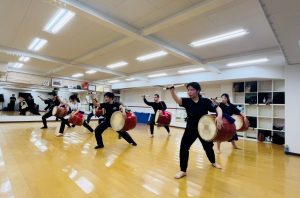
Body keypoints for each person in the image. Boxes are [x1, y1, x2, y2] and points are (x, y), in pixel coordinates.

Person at [169, 82, 223, 179]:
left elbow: (218, 108)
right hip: (190, 128)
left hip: (204, 129)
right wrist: (172, 91)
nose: (189, 92)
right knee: (184, 147)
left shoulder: (205, 101)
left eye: (191, 90)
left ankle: (213, 162)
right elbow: (177, 100)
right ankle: (183, 170)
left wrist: (219, 116)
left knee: (208, 147)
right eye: (188, 90)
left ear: (198, 91)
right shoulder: (186, 101)